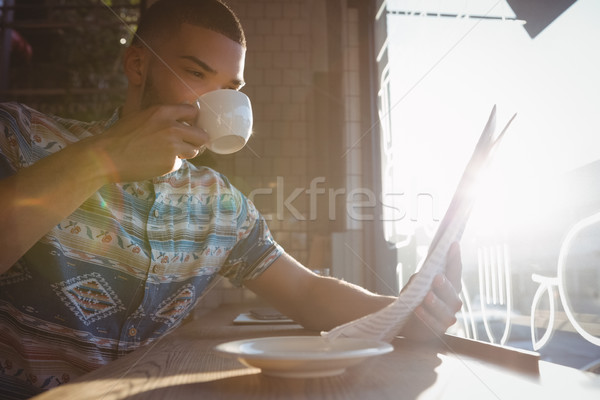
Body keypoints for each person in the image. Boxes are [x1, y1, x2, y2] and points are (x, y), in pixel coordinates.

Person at [0, 0, 462, 397]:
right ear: (138, 65)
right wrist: (104, 159)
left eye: (229, 89)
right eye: (195, 73)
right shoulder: (19, 136)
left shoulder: (220, 204)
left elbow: (305, 292)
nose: (213, 101)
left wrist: (407, 310)